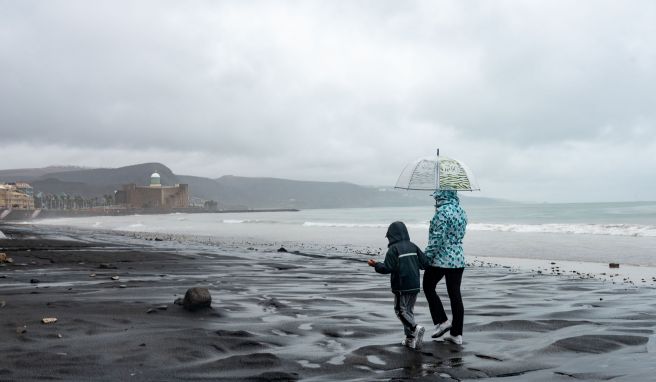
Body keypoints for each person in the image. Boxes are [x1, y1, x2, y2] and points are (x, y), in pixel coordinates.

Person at [368, 221, 429, 349]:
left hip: (402, 286)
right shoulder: (413, 246)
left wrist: (376, 265)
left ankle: (415, 328)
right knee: (409, 311)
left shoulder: (393, 249)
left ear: (393, 236)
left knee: (400, 311)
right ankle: (410, 339)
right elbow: (425, 264)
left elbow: (387, 268)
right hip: (415, 284)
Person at [423, 190, 468, 345]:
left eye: (436, 197)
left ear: (441, 197)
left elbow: (436, 239)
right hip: (458, 259)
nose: (435, 200)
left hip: (441, 259)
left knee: (428, 286)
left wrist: (425, 257)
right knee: (455, 295)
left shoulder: (442, 212)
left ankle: (442, 321)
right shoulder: (461, 211)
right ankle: (457, 334)